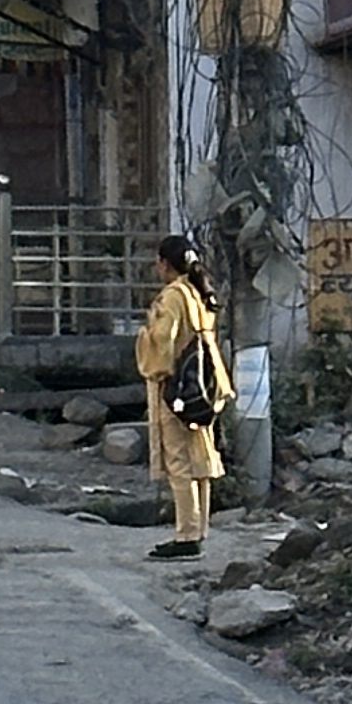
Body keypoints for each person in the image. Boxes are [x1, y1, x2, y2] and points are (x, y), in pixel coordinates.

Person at [135, 233, 227, 559]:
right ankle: (198, 529)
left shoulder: (172, 297)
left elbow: (163, 339)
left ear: (164, 264)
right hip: (204, 384)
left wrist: (143, 336)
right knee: (199, 456)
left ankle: (186, 535)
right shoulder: (199, 293)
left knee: (178, 461)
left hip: (176, 387)